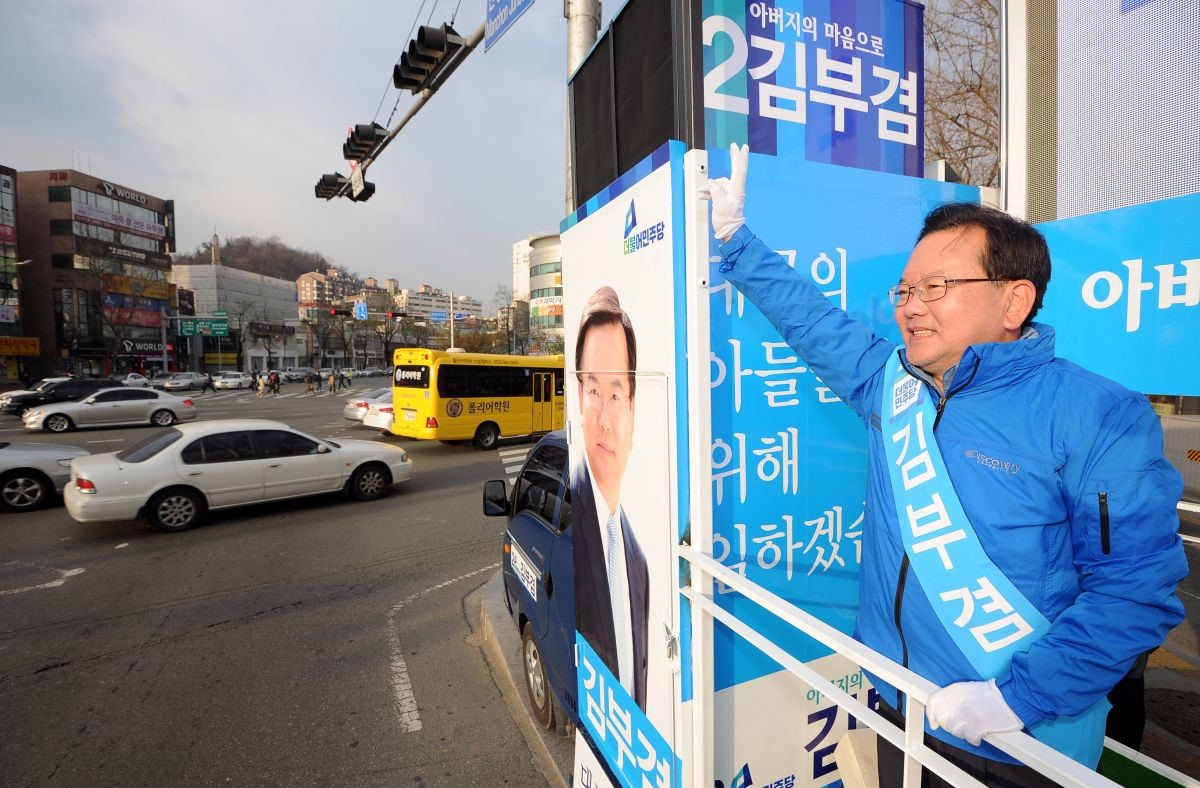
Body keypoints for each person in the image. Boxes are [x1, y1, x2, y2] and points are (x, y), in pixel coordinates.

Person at [704, 144, 1186, 786]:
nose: (910, 305)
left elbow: (1134, 592)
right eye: (906, 290)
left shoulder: (1098, 415)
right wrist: (735, 240)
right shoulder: (890, 384)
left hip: (1018, 742)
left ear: (1014, 302)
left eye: (936, 288)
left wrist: (1018, 699)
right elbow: (813, 323)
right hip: (895, 707)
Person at [570, 286, 650, 712]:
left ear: (632, 409)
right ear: (578, 397)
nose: (604, 418)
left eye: (616, 395)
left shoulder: (638, 562)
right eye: (593, 392)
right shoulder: (569, 530)